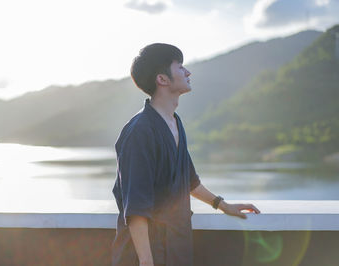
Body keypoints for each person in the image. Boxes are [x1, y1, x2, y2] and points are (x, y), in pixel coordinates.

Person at [111, 43, 260, 266]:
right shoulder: (139, 132)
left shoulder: (174, 122)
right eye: (180, 67)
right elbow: (136, 208)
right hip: (147, 255)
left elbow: (188, 181)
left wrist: (223, 205)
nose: (188, 72)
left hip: (175, 248)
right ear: (162, 79)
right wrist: (146, 261)